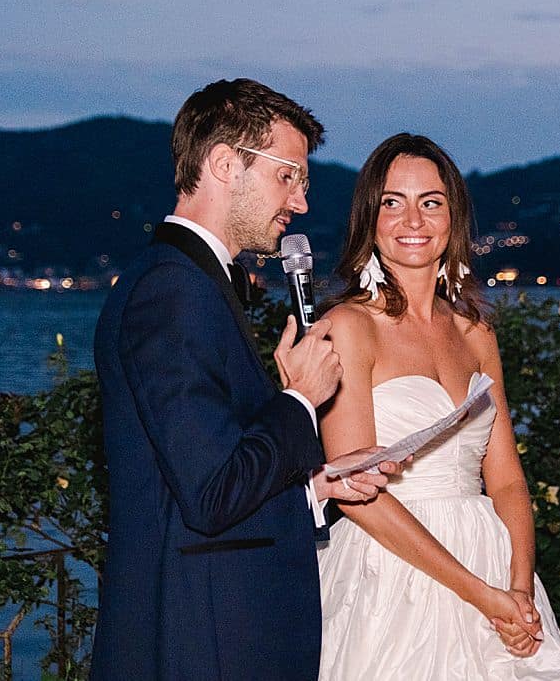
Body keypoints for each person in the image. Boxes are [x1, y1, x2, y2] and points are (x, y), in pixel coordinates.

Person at [91, 79, 401, 681]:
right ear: (225, 164)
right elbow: (211, 496)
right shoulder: (172, 292)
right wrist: (298, 400)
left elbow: (203, 480)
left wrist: (316, 488)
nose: (302, 202)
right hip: (197, 643)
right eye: (288, 176)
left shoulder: (192, 285)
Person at [315, 133, 560, 679]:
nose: (412, 220)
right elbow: (358, 497)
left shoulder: (476, 332)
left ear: (452, 218)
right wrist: (480, 595)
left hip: (493, 557)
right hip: (391, 569)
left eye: (430, 202)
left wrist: (516, 589)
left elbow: (507, 480)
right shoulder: (347, 327)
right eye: (392, 202)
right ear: (370, 218)